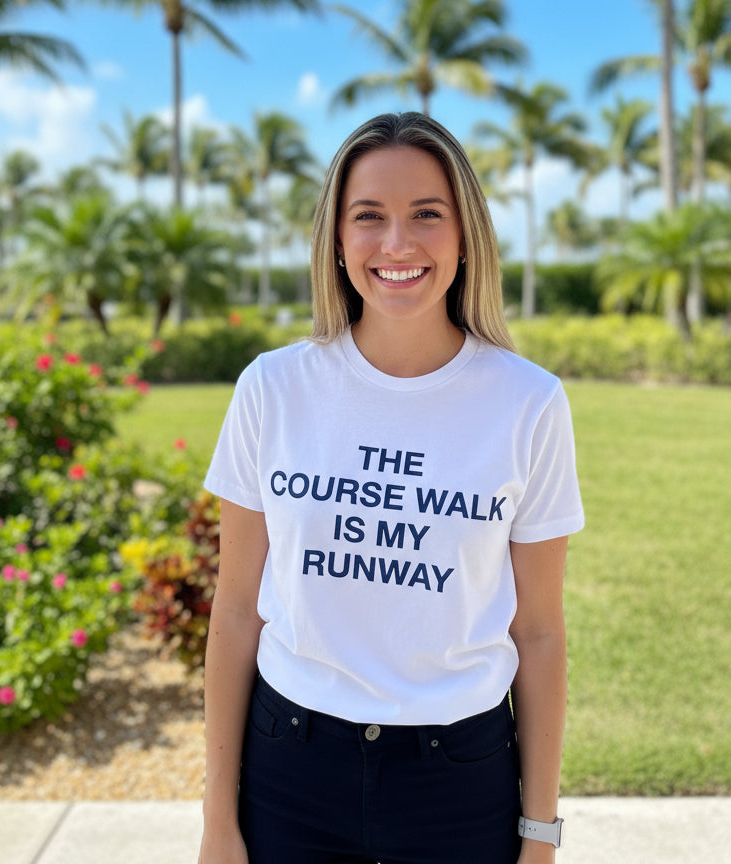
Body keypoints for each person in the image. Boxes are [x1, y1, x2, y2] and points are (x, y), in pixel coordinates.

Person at [198, 112, 584, 864]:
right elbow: (237, 610)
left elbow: (538, 632)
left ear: (465, 236)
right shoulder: (272, 388)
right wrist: (218, 821)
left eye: (427, 215)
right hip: (288, 773)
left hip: (460, 782)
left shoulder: (529, 403)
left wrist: (540, 837)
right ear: (337, 241)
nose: (397, 244)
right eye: (369, 216)